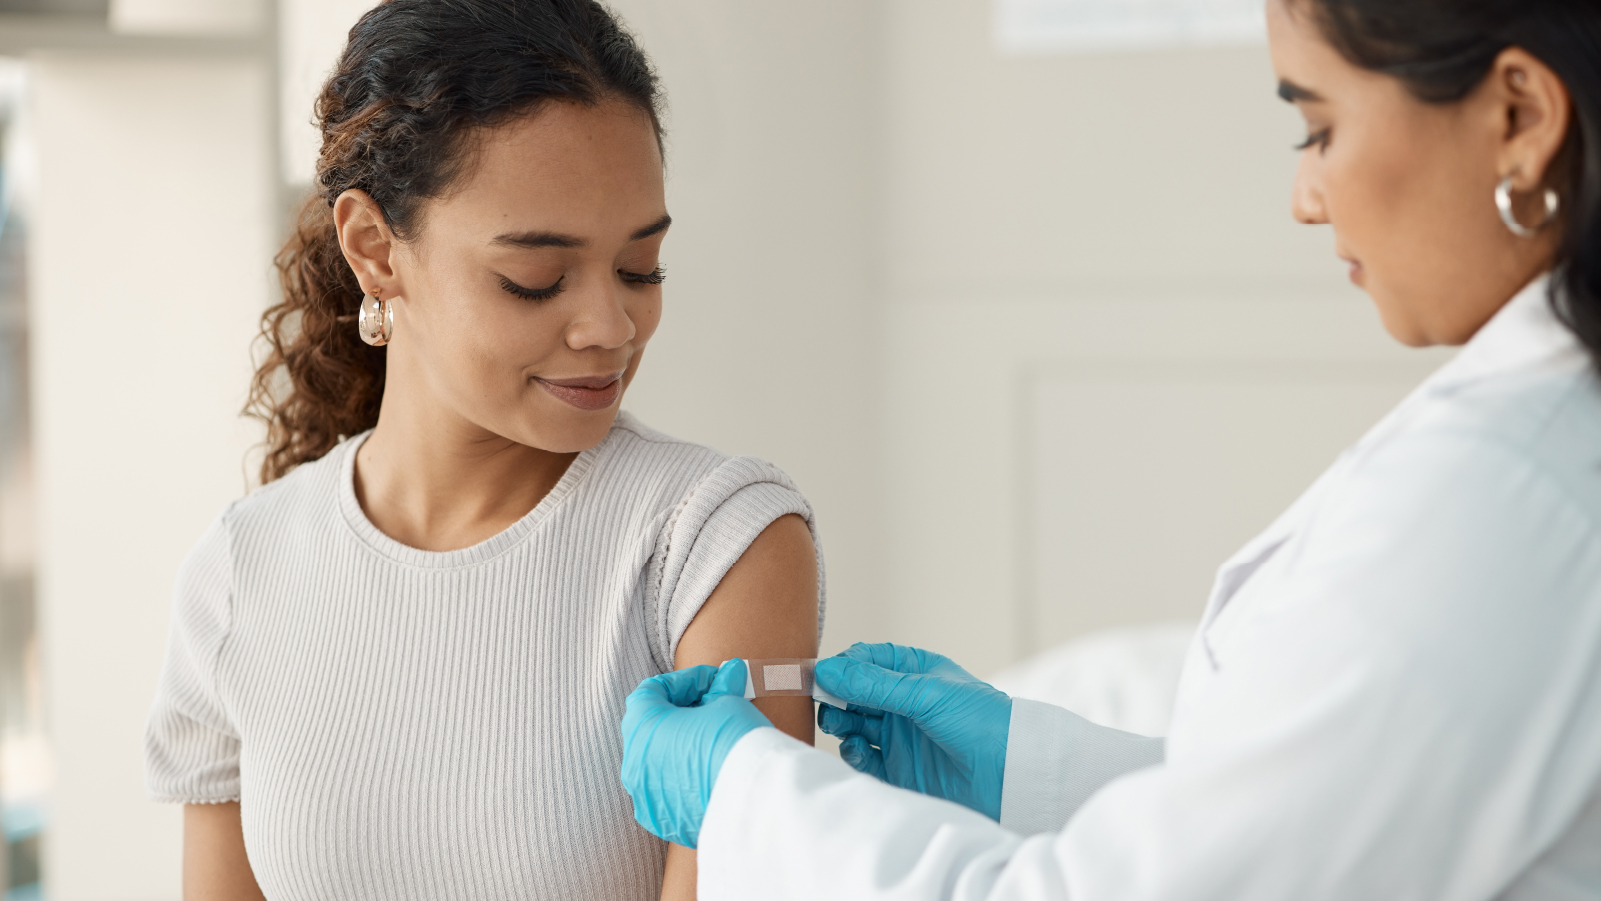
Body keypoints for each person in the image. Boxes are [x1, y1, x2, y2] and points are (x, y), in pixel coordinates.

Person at [619, 0, 1601, 897]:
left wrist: (744, 793)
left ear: (1517, 115)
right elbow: (1324, 824)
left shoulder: (1501, 493)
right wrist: (1026, 770)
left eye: (1318, 128)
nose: (1305, 197)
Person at [143, 2, 823, 899]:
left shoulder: (711, 547)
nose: (611, 326)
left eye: (639, 267)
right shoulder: (240, 573)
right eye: (535, 279)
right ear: (376, 250)